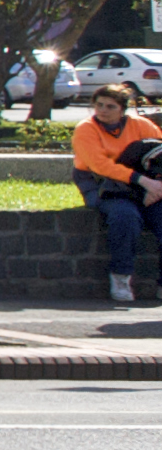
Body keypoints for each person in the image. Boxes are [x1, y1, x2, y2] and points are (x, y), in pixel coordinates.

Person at [73, 82, 162, 305]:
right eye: (99, 105)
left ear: (122, 109)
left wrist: (156, 187)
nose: (103, 110)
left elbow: (159, 156)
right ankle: (121, 277)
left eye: (110, 106)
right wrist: (143, 182)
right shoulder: (86, 129)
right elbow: (100, 165)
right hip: (103, 185)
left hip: (145, 184)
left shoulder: (142, 125)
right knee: (125, 217)